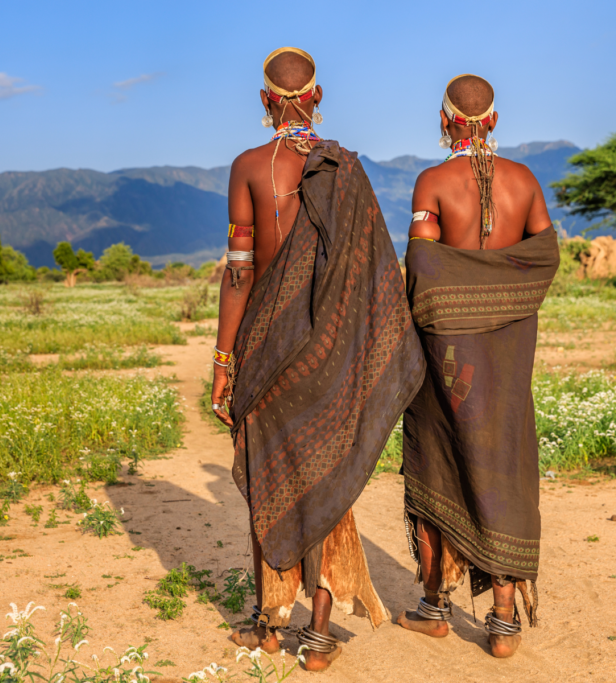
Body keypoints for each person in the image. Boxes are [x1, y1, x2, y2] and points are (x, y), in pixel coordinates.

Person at [210, 46, 425, 672]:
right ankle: (321, 632)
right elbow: (373, 277)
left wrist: (225, 360)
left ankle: (269, 623)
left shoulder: (249, 167)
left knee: (269, 481)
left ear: (264, 102)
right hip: (329, 353)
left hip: (263, 354)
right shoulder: (346, 171)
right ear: (318, 98)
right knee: (328, 480)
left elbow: (240, 272)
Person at [397, 74, 560, 659]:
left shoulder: (433, 182)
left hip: (448, 357)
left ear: (446, 121)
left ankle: (435, 606)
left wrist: (457, 302)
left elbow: (423, 266)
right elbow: (545, 254)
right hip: (511, 355)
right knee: (506, 464)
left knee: (439, 458)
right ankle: (504, 620)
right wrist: (501, 294)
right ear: (493, 121)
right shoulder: (525, 181)